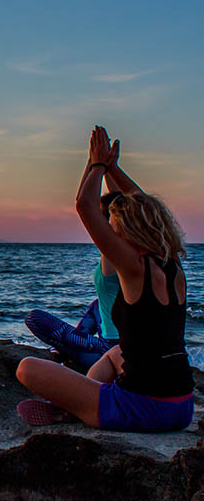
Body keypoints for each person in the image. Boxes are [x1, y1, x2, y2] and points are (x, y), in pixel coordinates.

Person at [15, 126, 194, 432]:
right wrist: (114, 168)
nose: (110, 231)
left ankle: (76, 408)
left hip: (144, 409)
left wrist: (97, 164)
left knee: (26, 368)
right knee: (114, 354)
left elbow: (85, 206)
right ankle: (77, 404)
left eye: (114, 225)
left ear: (127, 231)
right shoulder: (173, 263)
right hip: (182, 406)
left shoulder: (134, 267)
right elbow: (146, 205)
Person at [23, 158, 145, 371]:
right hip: (130, 340)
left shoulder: (114, 252)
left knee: (34, 319)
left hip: (113, 349)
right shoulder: (137, 247)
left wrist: (95, 162)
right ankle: (68, 350)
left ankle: (80, 353)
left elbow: (84, 204)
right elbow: (125, 203)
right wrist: (109, 167)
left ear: (109, 221)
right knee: (98, 304)